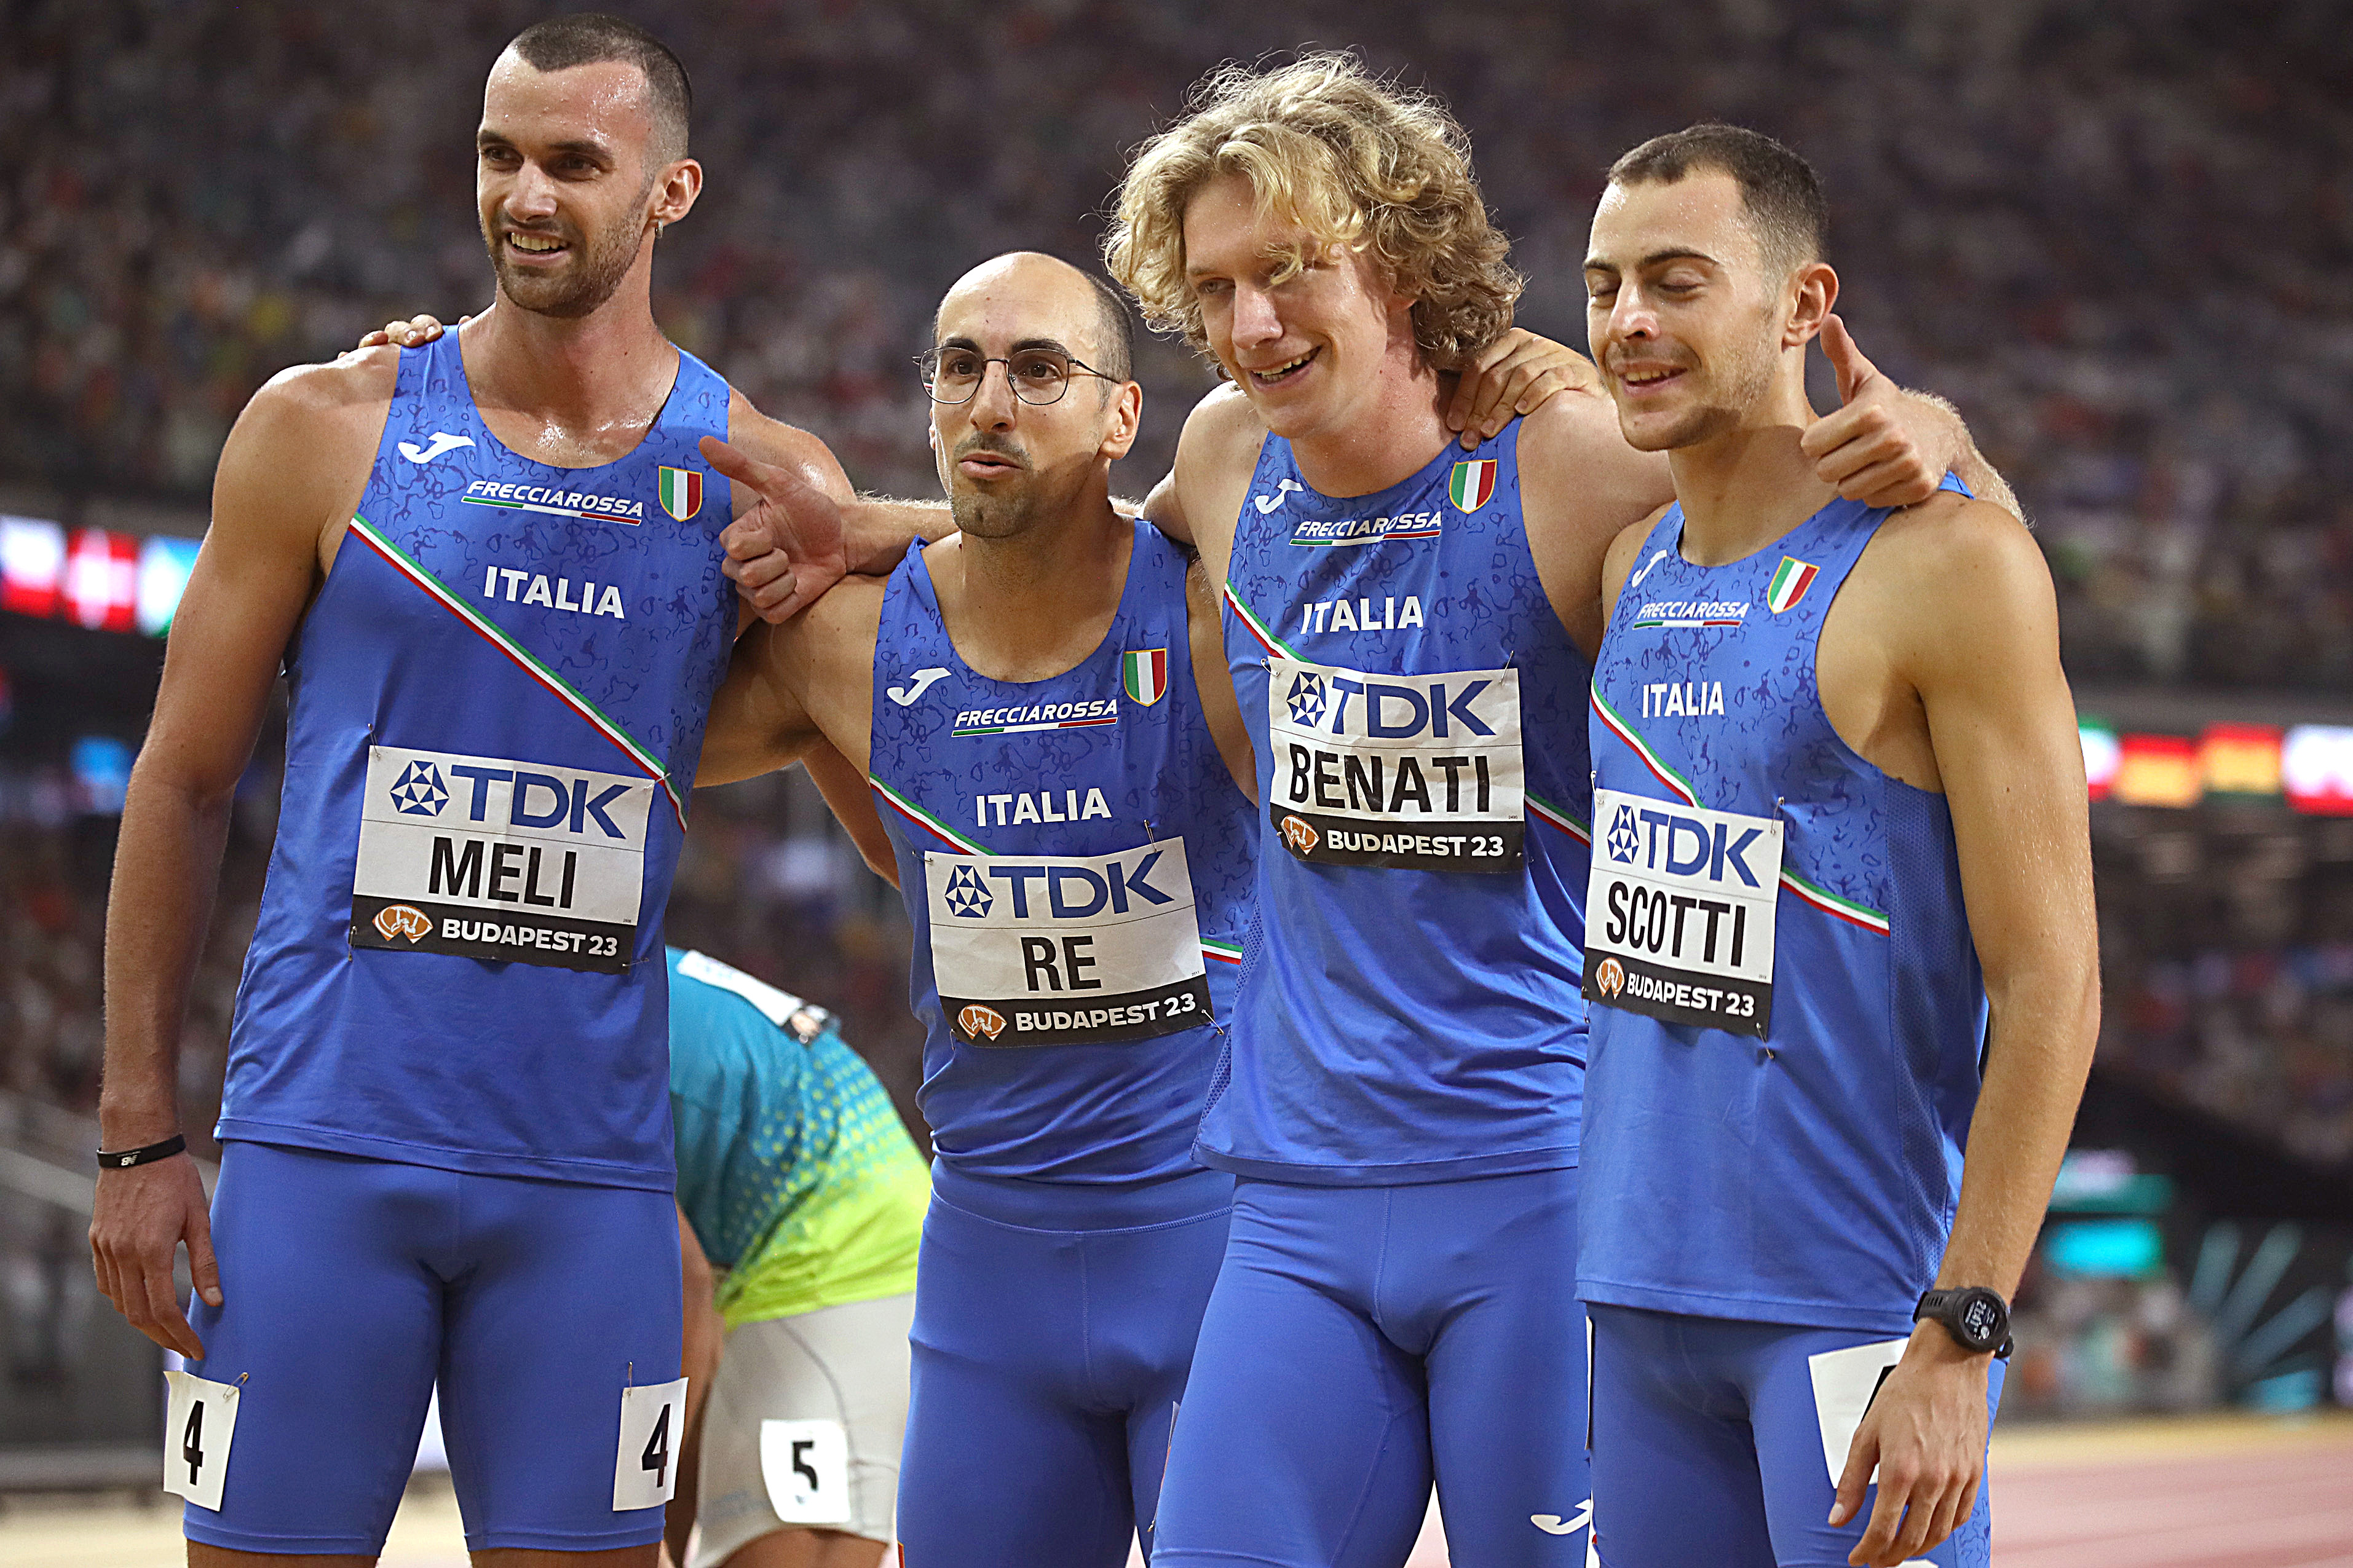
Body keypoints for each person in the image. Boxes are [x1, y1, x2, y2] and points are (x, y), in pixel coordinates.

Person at [1096, 57, 2015, 1568]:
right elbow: (1066, 567)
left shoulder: (1577, 468)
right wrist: (881, 525)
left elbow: (1856, 541)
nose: (1250, 322)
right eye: (1212, 288)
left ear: (1396, 262)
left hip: (1539, 1184)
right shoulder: (1221, 456)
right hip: (1293, 1191)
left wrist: (1942, 431)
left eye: (1289, 268)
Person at [87, 17, 861, 1564]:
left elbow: (878, 787)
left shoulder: (763, 481)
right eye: (500, 155)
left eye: (575, 162)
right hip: (318, 1160)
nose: (525, 195)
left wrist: (885, 535)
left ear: (671, 191)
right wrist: (135, 1133)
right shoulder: (324, 429)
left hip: (588, 1190)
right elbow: (178, 779)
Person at [1576, 125, 2097, 1568]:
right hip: (1632, 1308)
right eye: (1602, 285)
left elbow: (2051, 982)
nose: (1627, 320)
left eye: (1675, 281)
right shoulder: (1627, 568)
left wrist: (1962, 1328)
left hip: (1854, 1313)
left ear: (1802, 305)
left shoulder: (1946, 563)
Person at [695, 251, 1262, 1568]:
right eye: (961, 367)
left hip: (1220, 1249)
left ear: (1122, 417)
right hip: (985, 1276)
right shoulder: (843, 643)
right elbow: (583, 721)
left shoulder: (1209, 614)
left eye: (1038, 371)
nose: (990, 401)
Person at [661, 947, 927, 1568]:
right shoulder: (588, 969)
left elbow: (682, 1289)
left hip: (840, 1242)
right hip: (813, 1215)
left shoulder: (561, 1026)